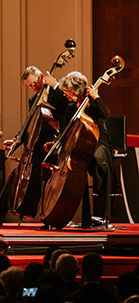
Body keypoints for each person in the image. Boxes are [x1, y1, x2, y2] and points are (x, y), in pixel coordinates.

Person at [0, 66, 62, 225]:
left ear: (40, 76)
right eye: (29, 86)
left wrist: (54, 86)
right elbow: (29, 127)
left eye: (33, 83)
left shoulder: (55, 94)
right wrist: (16, 140)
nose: (33, 88)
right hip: (35, 151)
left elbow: (64, 110)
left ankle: (51, 218)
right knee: (14, 177)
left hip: (51, 149)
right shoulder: (33, 100)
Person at [50, 71, 114, 228]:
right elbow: (65, 130)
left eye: (67, 91)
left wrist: (96, 97)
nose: (64, 94)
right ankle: (84, 218)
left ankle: (105, 213)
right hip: (80, 145)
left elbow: (105, 114)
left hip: (98, 142)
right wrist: (55, 143)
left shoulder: (92, 103)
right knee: (78, 165)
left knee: (96, 159)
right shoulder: (72, 107)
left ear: (76, 90)